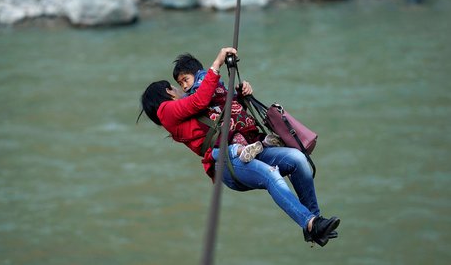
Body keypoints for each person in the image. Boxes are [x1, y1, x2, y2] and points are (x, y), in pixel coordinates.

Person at [138, 47, 340, 246]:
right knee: (271, 174)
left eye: (182, 82)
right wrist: (216, 63)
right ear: (168, 92)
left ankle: (315, 224)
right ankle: (310, 222)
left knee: (298, 160)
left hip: (249, 147)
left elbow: (225, 112)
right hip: (228, 163)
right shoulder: (167, 111)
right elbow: (200, 102)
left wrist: (241, 95)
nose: (181, 89)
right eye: (176, 86)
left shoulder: (187, 105)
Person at [172, 53, 283, 162]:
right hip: (241, 119)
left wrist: (181, 100)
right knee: (252, 137)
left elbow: (198, 98)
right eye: (180, 84)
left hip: (229, 125)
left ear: (197, 73)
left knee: (233, 140)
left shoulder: (202, 83)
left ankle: (245, 150)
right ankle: (265, 141)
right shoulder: (215, 82)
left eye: (185, 80)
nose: (184, 86)